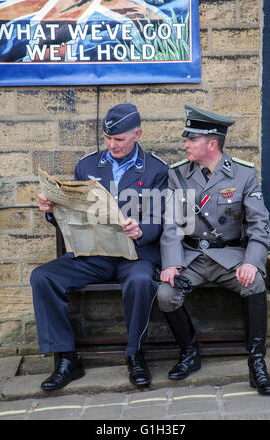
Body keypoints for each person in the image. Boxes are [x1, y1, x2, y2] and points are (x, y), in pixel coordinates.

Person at [31, 103, 168, 391]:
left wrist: (142, 229)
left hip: (135, 254)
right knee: (43, 276)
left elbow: (163, 218)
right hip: (95, 254)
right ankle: (66, 359)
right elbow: (75, 215)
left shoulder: (156, 169)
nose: (111, 145)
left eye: (119, 139)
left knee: (142, 281)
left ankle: (135, 355)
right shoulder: (88, 165)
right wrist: (51, 209)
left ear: (137, 134)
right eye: (107, 138)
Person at [157, 104, 270, 396]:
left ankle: (257, 363)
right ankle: (189, 352)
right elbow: (172, 225)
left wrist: (252, 262)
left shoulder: (244, 174)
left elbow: (260, 224)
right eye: (187, 138)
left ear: (212, 144)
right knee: (166, 294)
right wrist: (171, 264)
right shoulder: (178, 175)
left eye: (192, 139)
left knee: (256, 282)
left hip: (230, 257)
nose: (185, 144)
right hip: (192, 257)